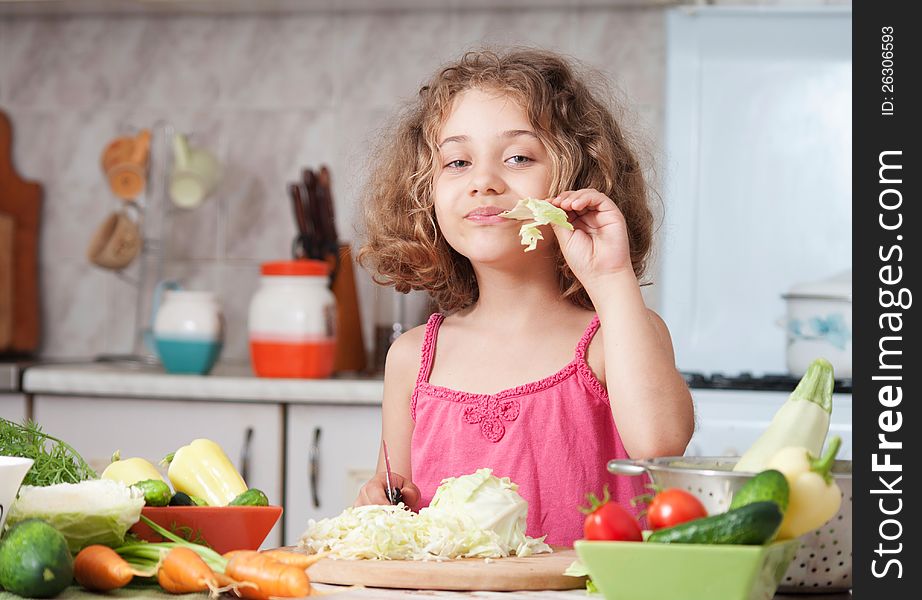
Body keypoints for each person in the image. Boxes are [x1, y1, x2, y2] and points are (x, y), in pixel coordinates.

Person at [354, 48, 694, 546]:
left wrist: (611, 276)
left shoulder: (615, 336)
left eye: (518, 157)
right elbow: (395, 510)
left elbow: (661, 446)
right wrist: (379, 503)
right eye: (457, 162)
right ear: (424, 197)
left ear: (578, 179)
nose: (484, 182)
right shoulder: (411, 359)